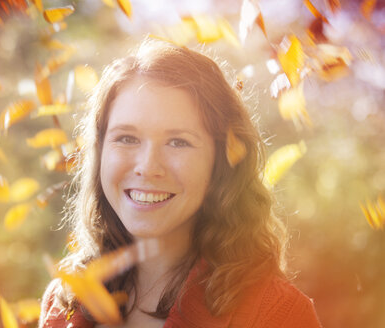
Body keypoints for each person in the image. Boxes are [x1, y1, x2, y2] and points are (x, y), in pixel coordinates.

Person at [39, 38, 322, 328]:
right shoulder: (64, 300)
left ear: (221, 162)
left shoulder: (277, 314)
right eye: (127, 138)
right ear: (100, 153)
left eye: (178, 142)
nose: (148, 167)